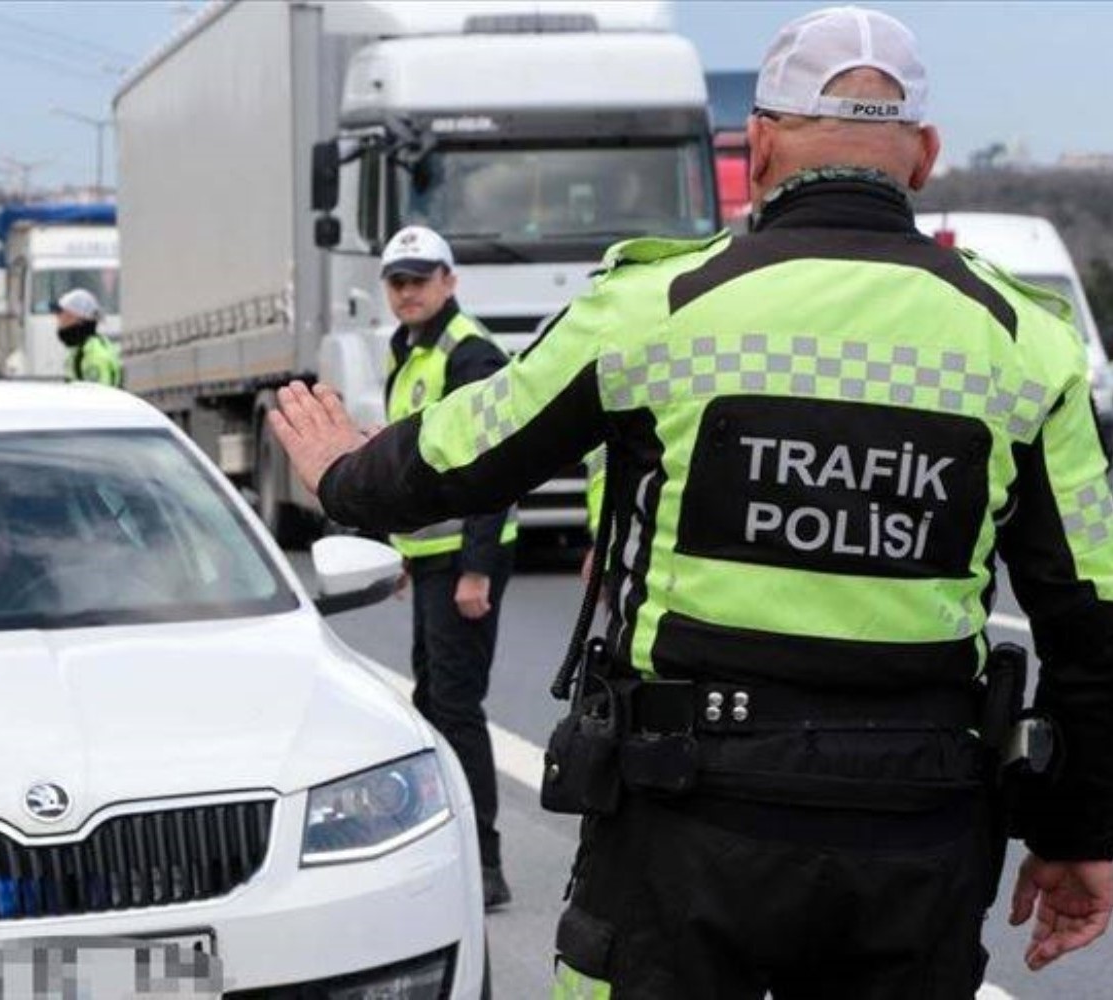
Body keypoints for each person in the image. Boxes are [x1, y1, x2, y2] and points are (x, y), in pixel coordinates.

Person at [269, 7, 1113, 997]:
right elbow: (1090, 617)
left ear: (753, 147)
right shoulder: (1028, 344)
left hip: (683, 819)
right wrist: (1073, 832)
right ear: (922, 156)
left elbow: (460, 456)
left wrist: (341, 474)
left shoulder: (653, 308)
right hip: (915, 829)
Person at [375, 224, 520, 909]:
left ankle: (484, 865)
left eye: (421, 279)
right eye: (398, 281)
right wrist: (403, 554)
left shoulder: (471, 354)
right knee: (433, 704)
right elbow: (414, 465)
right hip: (431, 557)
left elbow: (493, 469)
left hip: (465, 561)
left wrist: (477, 570)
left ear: (450, 282)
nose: (408, 292)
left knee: (456, 710)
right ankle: (452, 847)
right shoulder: (408, 354)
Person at [56, 287, 123, 387]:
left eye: (65, 316)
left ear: (80, 321)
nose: (59, 321)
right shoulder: (82, 350)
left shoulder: (93, 356)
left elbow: (99, 398)